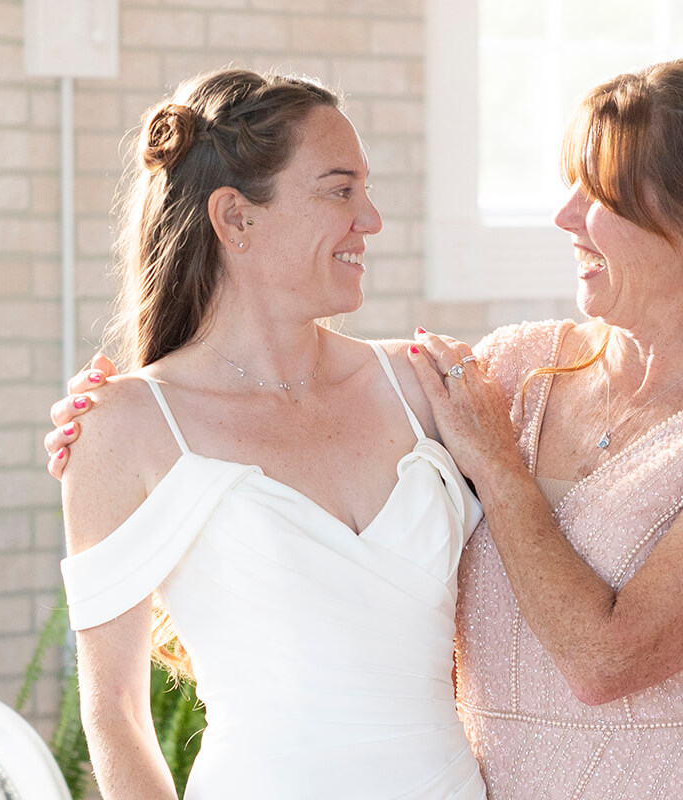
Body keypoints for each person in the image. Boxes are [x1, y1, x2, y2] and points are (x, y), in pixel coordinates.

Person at [49, 58, 683, 799]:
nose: (564, 218)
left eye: (598, 196)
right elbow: (125, 698)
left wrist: (501, 469)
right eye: (341, 190)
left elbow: (608, 660)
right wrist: (108, 424)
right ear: (235, 219)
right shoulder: (510, 373)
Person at [54, 68, 487, 799]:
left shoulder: (421, 385)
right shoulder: (126, 426)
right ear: (236, 219)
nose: (371, 219)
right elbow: (116, 712)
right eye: (339, 190)